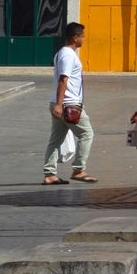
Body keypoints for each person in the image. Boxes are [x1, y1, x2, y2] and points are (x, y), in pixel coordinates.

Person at [44, 21, 95, 186]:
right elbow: (63, 80)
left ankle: (50, 173)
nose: (83, 40)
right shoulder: (68, 55)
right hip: (68, 104)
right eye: (82, 37)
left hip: (62, 103)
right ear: (75, 37)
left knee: (56, 139)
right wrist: (60, 105)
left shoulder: (61, 53)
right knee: (87, 134)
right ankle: (79, 169)